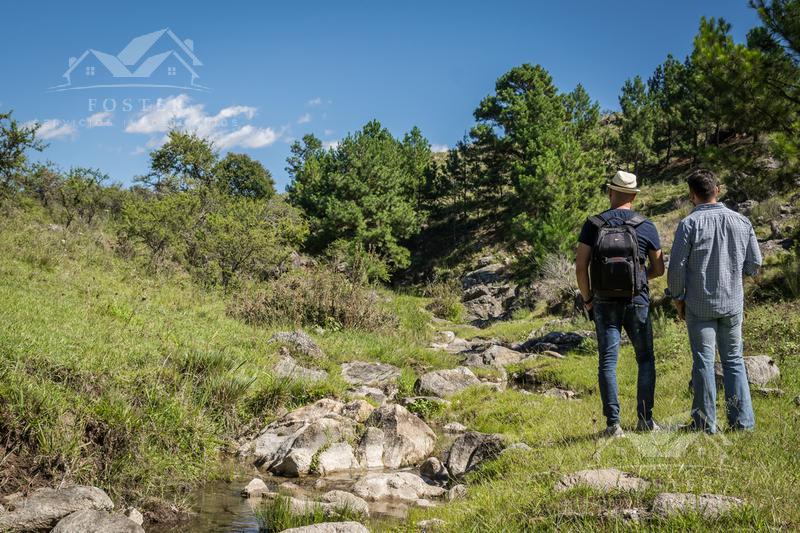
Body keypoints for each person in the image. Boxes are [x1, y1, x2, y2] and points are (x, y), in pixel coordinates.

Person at [667, 169, 761, 433]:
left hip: (699, 304)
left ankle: (705, 423)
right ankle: (742, 422)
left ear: (692, 195)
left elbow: (676, 269)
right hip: (732, 304)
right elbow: (755, 264)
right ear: (717, 190)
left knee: (704, 362)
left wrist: (677, 298)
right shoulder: (742, 222)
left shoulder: (688, 225)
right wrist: (735, 277)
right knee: (733, 360)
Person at [576, 171, 665, 437]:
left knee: (607, 362)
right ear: (634, 196)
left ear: (610, 193)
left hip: (604, 301)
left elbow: (581, 268)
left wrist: (588, 299)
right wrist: (638, 278)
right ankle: (645, 421)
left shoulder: (593, 224)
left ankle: (613, 425)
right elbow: (659, 269)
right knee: (645, 359)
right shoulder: (645, 225)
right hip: (637, 300)